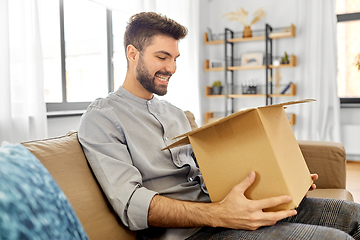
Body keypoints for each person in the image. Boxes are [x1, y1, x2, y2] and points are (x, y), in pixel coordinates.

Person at [78, 12, 360, 240]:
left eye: (175, 59)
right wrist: (221, 215)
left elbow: (211, 172)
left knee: (355, 216)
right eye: (162, 57)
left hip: (226, 212)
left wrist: (282, 179)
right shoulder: (102, 117)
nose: (172, 68)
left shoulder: (174, 112)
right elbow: (130, 202)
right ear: (132, 53)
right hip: (192, 233)